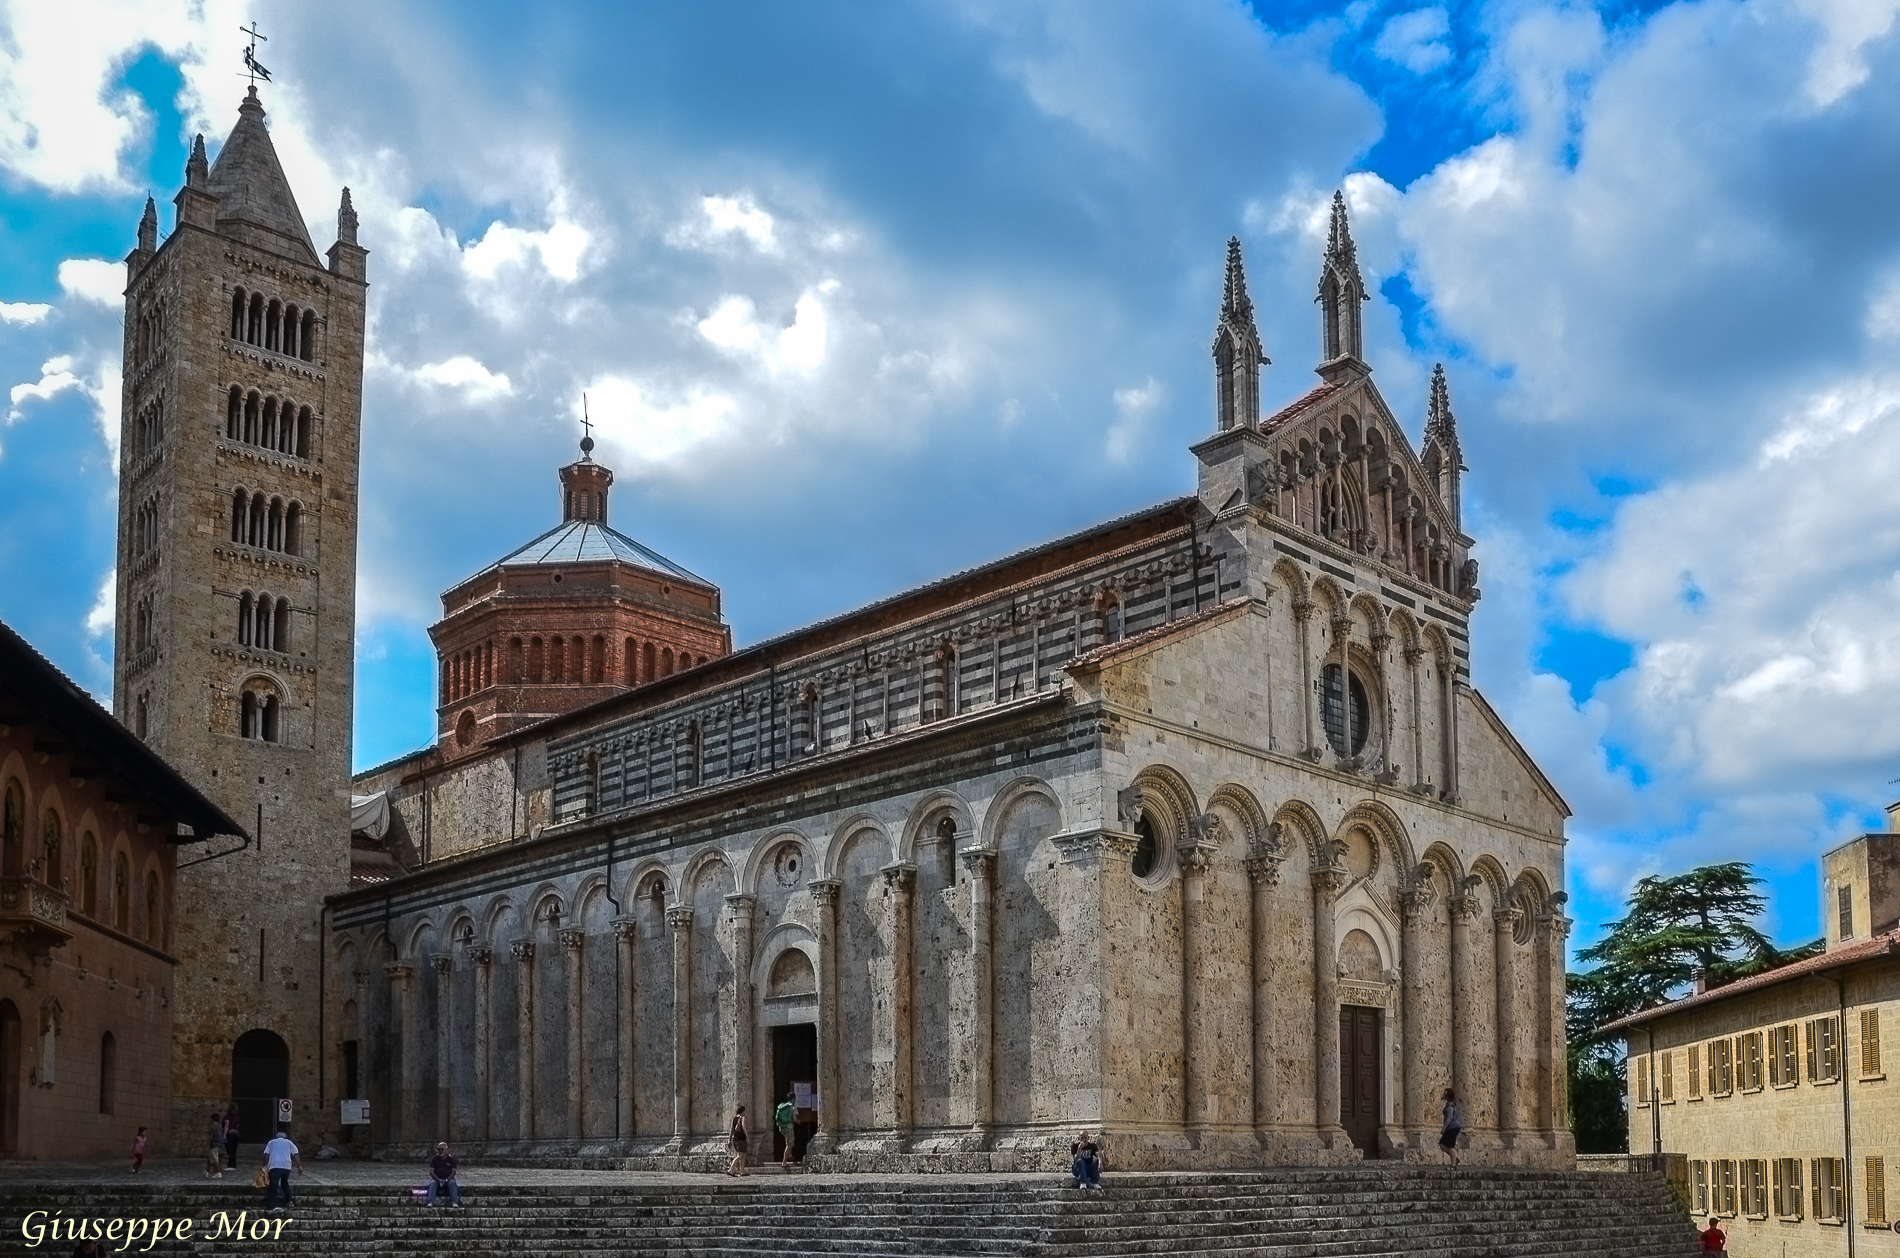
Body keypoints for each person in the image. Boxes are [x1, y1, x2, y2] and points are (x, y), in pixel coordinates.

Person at [260, 1127, 301, 1212]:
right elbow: (296, 1154)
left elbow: (266, 1154)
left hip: (274, 1166)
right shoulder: (289, 1143)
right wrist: (299, 1166)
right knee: (284, 1183)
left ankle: (271, 1205)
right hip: (286, 1166)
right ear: (285, 1137)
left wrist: (264, 1165)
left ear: (277, 1137)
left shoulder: (271, 1142)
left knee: (273, 1186)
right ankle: (289, 1201)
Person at [426, 1141, 463, 1208]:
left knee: (452, 1183)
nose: (440, 1151)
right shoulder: (434, 1159)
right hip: (437, 1179)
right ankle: (431, 1202)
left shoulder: (451, 1160)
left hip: (448, 1179)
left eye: (442, 1149)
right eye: (438, 1149)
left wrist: (446, 1180)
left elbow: (453, 1172)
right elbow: (431, 1171)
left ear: (446, 1150)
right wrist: (438, 1179)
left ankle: (454, 1201)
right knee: (432, 1183)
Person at [1439, 1088, 1464, 1166]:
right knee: (1442, 1144)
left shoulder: (1450, 1104)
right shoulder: (1450, 1104)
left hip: (1452, 1127)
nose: (1443, 1094)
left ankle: (1453, 1165)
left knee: (1449, 1146)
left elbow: (1449, 1117)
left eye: (1445, 1093)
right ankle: (1454, 1158)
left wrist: (1444, 1128)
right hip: (1453, 1127)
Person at [726, 1105, 750, 1177]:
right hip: (741, 1138)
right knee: (740, 1155)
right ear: (743, 1111)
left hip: (735, 1139)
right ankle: (731, 1169)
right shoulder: (742, 1117)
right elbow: (743, 1127)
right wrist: (747, 1137)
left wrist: (729, 1139)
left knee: (743, 1155)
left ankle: (742, 1171)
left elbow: (731, 1129)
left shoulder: (734, 1119)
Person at [775, 1092, 797, 1165]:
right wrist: (798, 1121)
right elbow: (795, 1119)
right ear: (794, 1099)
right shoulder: (792, 1108)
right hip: (789, 1127)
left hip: (782, 1127)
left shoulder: (783, 1106)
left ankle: (790, 1156)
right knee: (789, 1145)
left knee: (790, 1142)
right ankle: (784, 1162)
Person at [205, 1112, 226, 1179]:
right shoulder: (219, 1127)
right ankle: (207, 1171)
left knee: (215, 1159)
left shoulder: (212, 1127)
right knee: (210, 1158)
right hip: (221, 1144)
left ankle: (218, 1173)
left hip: (215, 1145)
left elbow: (211, 1137)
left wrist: (206, 1144)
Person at [223, 1103, 241, 1171]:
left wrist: (224, 1135)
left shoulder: (227, 1117)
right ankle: (233, 1165)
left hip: (230, 1135)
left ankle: (231, 1165)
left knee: (229, 1150)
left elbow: (226, 1126)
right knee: (234, 1150)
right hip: (235, 1134)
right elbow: (238, 1125)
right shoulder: (237, 1116)